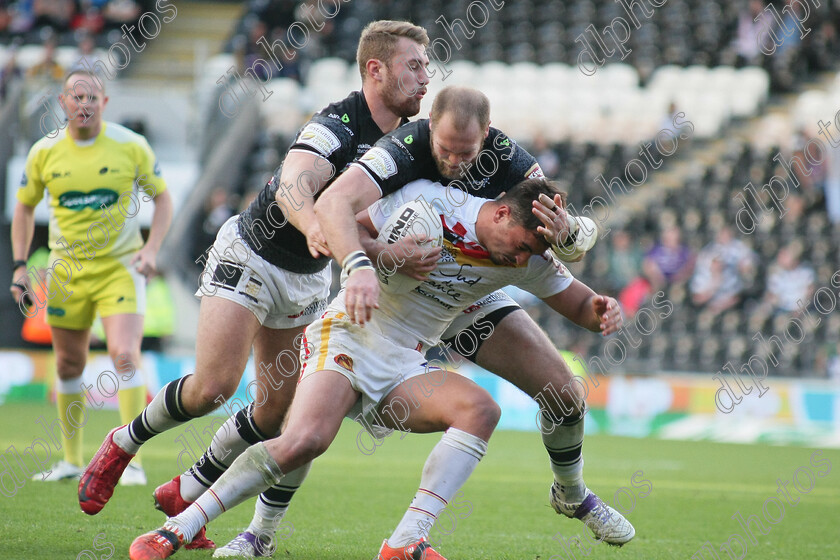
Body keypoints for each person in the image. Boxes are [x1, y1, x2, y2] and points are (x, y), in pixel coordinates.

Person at [127, 177, 626, 560]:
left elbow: (580, 302)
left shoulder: (529, 253)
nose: (523, 260)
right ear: (499, 212)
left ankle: (405, 542)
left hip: (407, 358)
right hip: (348, 333)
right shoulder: (431, 200)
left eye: (533, 254)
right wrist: (386, 255)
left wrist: (602, 309)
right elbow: (349, 224)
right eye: (521, 245)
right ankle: (184, 527)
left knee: (481, 410)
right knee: (304, 438)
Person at [78, 20, 432, 552]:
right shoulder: (337, 122)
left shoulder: (408, 143)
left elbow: (360, 229)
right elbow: (294, 182)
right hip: (253, 256)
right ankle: (122, 441)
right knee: (212, 388)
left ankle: (189, 492)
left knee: (279, 415)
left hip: (308, 280)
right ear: (375, 71)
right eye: (415, 65)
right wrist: (316, 224)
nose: (426, 78)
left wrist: (386, 253)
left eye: (427, 66)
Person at [313, 86, 634, 547]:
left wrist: (573, 243)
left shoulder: (514, 164)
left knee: (565, 395)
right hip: (401, 294)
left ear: (487, 135)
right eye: (444, 149)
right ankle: (245, 523)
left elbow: (565, 231)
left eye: (466, 152)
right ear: (429, 127)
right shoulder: (403, 152)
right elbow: (344, 216)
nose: (455, 161)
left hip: (470, 291)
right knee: (294, 422)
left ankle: (572, 493)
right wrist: (376, 256)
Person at [10, 69, 172, 485]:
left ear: (104, 103)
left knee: (123, 354)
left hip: (119, 268)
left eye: (91, 97)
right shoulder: (44, 152)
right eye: (75, 96)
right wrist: (19, 264)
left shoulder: (130, 146)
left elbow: (164, 198)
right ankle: (69, 460)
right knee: (67, 363)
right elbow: (24, 208)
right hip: (67, 272)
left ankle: (131, 462)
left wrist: (151, 249)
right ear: (62, 103)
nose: (83, 104)